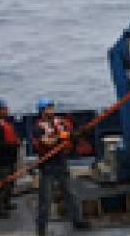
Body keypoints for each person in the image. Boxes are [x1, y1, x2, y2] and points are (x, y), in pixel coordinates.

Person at [32, 98, 90, 235]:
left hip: (61, 163)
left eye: (52, 107)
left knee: (70, 193)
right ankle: (41, 229)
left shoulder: (61, 122)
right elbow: (47, 142)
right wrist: (63, 137)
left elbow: (70, 134)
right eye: (48, 108)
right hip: (47, 166)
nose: (51, 110)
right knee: (45, 199)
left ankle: (78, 220)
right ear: (42, 111)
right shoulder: (38, 127)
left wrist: (77, 134)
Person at [0, 98, 19, 219]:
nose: (7, 110)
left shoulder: (5, 123)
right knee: (1, 184)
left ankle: (7, 203)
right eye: (4, 109)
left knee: (10, 183)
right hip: (2, 160)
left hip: (10, 158)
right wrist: (12, 145)